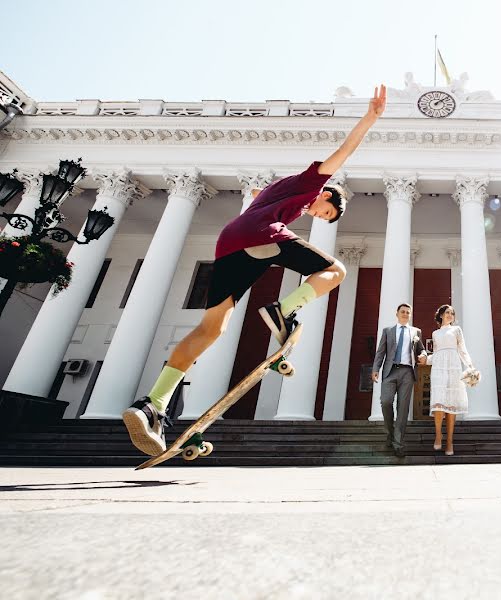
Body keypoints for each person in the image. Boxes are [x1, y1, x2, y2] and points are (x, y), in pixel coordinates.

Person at [121, 85, 388, 456]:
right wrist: (370, 118)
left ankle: (152, 404)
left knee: (212, 328)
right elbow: (343, 152)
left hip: (231, 244)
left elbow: (264, 195)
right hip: (259, 236)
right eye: (325, 212)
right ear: (327, 195)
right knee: (336, 270)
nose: (318, 216)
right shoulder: (314, 182)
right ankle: (284, 309)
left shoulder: (281, 193)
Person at [371, 303, 427, 457]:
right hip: (390, 371)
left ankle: (398, 444)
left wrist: (424, 355)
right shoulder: (388, 331)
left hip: (407, 372)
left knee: (403, 409)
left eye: (408, 312)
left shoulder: (416, 331)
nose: (405, 314)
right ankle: (390, 432)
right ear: (397, 314)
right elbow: (381, 351)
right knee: (386, 402)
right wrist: (376, 369)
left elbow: (420, 348)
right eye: (402, 312)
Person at [426, 305, 473, 456]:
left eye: (452, 313)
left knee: (451, 404)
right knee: (439, 402)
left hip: (453, 366)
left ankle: (449, 441)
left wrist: (470, 365)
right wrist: (425, 359)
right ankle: (439, 434)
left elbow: (462, 349)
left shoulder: (457, 330)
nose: (450, 315)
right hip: (439, 367)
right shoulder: (435, 333)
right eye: (447, 313)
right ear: (440, 315)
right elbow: (437, 353)